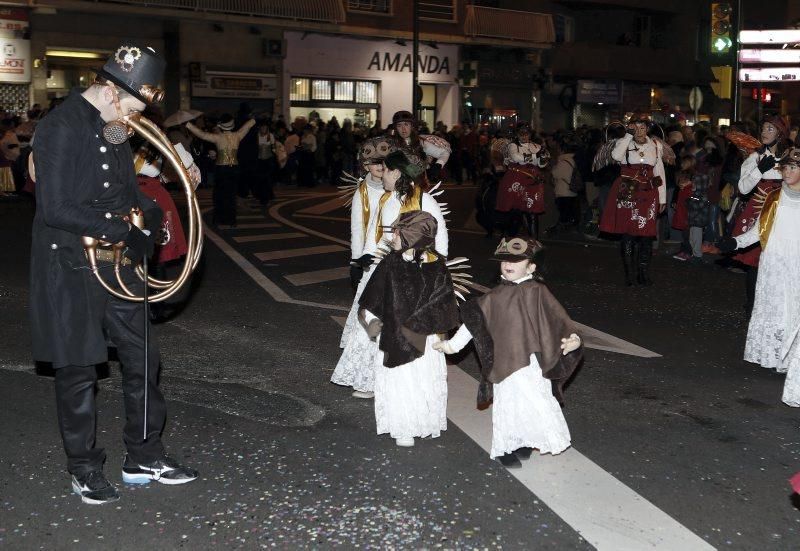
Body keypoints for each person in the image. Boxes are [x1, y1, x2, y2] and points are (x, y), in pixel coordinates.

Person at [30, 44, 197, 505]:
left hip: (119, 265)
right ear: (109, 90)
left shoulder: (116, 125)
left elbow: (124, 188)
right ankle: (84, 467)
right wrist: (122, 231)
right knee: (79, 370)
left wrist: (151, 214)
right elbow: (56, 207)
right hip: (72, 266)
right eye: (133, 107)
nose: (136, 118)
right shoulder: (60, 127)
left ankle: (144, 454)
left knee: (143, 357)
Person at [433, 238, 583, 468]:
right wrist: (452, 346)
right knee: (508, 404)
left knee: (535, 401)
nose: (507, 264)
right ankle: (505, 447)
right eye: (504, 260)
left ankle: (525, 441)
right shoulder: (494, 297)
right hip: (504, 362)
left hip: (532, 362)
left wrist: (574, 339)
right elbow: (474, 323)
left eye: (516, 260)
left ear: (532, 267)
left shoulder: (539, 292)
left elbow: (558, 320)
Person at [358, 210, 460, 447]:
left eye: (396, 232)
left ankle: (423, 420)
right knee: (401, 379)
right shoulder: (391, 263)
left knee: (422, 379)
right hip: (394, 333)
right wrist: (371, 321)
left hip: (424, 336)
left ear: (413, 235)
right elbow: (373, 295)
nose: (391, 237)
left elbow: (444, 303)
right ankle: (402, 425)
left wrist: (436, 333)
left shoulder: (437, 267)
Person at [717, 147, 800, 406]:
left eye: (793, 167)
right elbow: (757, 231)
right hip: (773, 261)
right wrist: (734, 242)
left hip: (796, 263)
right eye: (785, 167)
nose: (787, 171)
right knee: (774, 309)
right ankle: (773, 355)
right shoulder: (774, 197)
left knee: (793, 311)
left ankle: (790, 359)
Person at [332, 137, 396, 398]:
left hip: (401, 256)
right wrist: (357, 259)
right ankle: (367, 376)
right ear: (365, 166)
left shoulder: (405, 187)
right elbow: (358, 226)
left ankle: (399, 374)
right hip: (373, 257)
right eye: (373, 163)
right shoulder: (363, 191)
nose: (379, 167)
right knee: (370, 315)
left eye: (384, 162)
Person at [598, 112, 667, 286]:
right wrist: (627, 135)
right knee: (628, 234)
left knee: (647, 234)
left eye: (642, 127)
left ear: (648, 128)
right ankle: (629, 273)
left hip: (649, 192)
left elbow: (660, 173)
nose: (639, 131)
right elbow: (615, 157)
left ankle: (643, 273)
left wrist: (662, 198)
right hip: (628, 190)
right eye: (635, 127)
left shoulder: (656, 145)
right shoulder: (624, 142)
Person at [729, 116, 788, 317]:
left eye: (770, 129)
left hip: (782, 211)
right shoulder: (754, 157)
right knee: (755, 262)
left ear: (780, 133)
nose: (764, 132)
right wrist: (759, 170)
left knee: (778, 262)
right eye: (763, 128)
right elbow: (743, 188)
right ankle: (752, 304)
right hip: (758, 210)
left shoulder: (789, 157)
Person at [186, 113, 255, 226]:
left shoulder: (218, 137)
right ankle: (231, 220)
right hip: (234, 169)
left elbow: (202, 135)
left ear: (221, 126)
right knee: (231, 195)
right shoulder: (237, 136)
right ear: (232, 125)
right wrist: (253, 119)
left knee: (219, 195)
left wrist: (189, 125)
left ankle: (219, 219)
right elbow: (247, 126)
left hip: (221, 168)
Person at [494, 124, 548, 238]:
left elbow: (542, 163)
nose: (524, 135)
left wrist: (543, 158)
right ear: (517, 134)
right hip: (516, 178)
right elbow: (516, 158)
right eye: (521, 133)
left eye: (526, 133)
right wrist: (536, 156)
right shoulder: (513, 145)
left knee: (532, 211)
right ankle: (510, 234)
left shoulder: (537, 146)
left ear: (530, 134)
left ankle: (534, 240)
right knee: (516, 210)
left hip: (532, 179)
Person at [389, 110, 450, 184]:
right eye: (399, 125)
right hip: (396, 184)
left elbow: (444, 153)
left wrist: (438, 165)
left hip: (418, 185)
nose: (403, 128)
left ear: (412, 126)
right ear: (395, 128)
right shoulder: (389, 144)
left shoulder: (421, 142)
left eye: (406, 124)